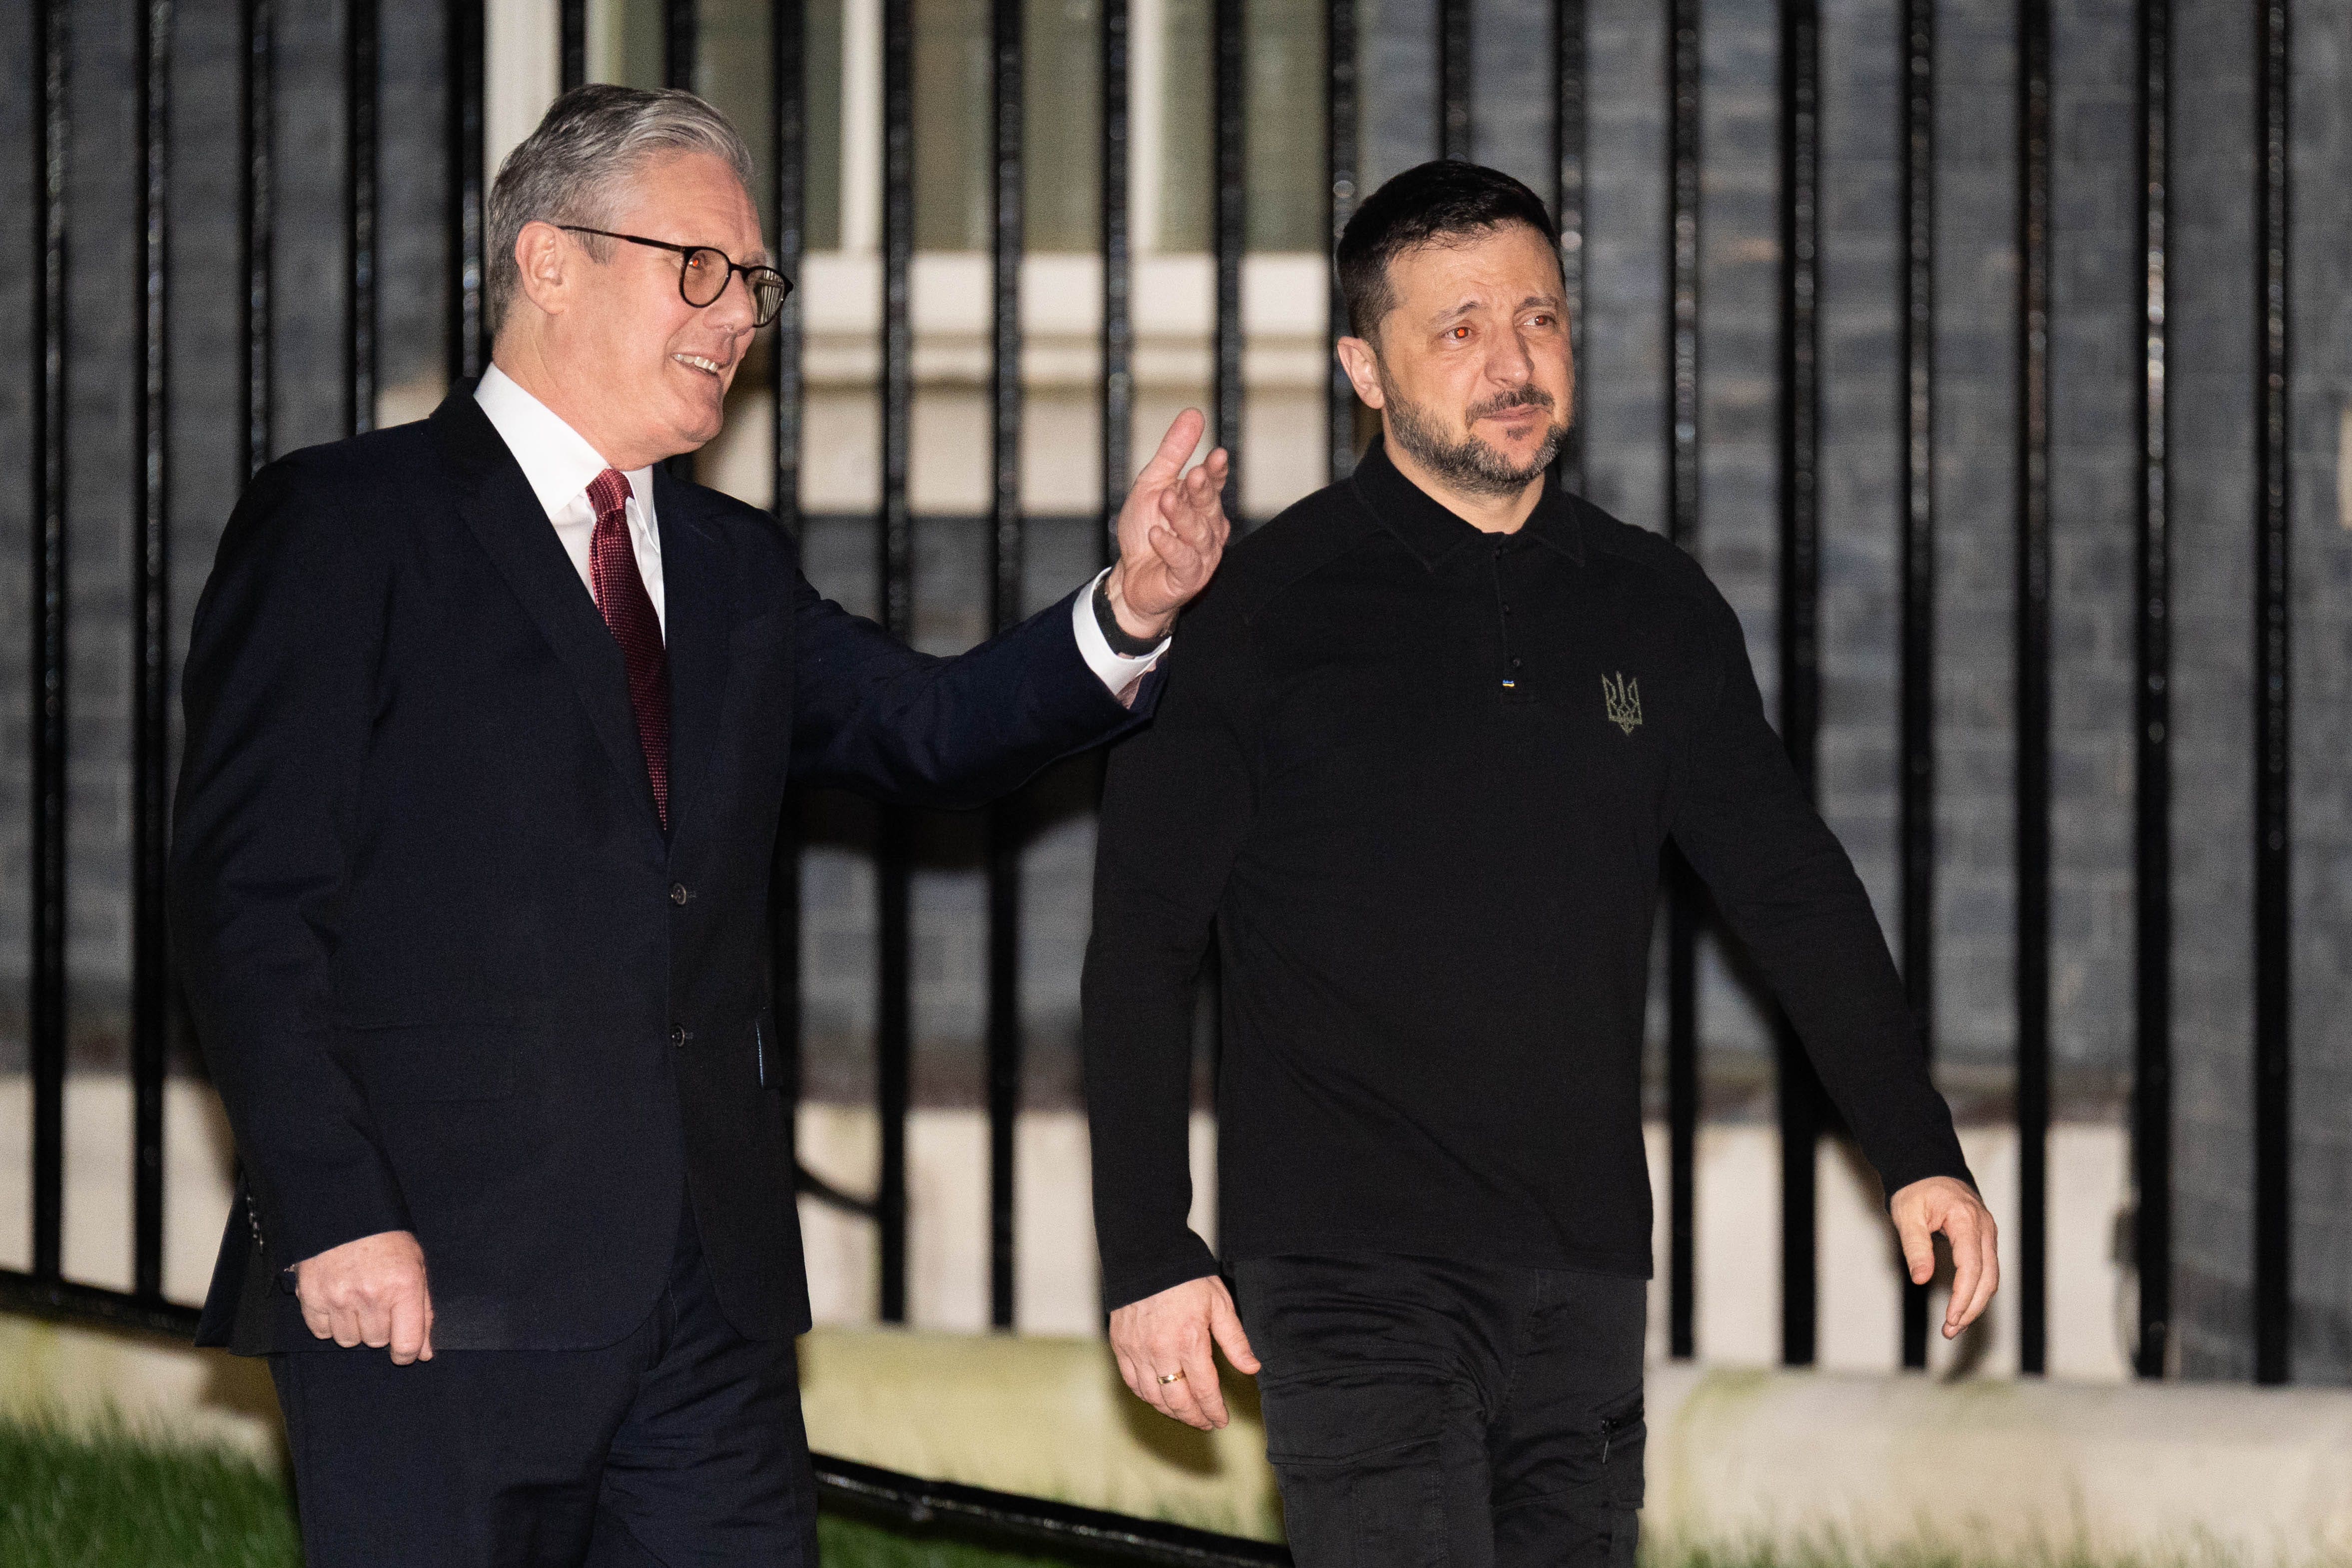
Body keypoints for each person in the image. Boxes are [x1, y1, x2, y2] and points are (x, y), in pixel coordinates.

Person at [170, 84, 1228, 1568]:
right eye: (700, 269)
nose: (739, 316)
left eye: (756, 284)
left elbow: (924, 730)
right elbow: (245, 900)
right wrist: (334, 1209)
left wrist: (1127, 614)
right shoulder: (349, 524)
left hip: (707, 1307)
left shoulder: (730, 563)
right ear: (548, 260)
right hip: (430, 1293)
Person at [1081, 159, 1998, 1568]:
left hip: (1578, 1263)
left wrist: (1914, 1146)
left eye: (1539, 319)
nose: (1511, 363)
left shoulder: (1655, 604)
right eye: (1455, 329)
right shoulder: (1255, 610)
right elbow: (1141, 938)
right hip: (1345, 1265)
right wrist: (1147, 1242)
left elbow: (1788, 886)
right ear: (1362, 368)